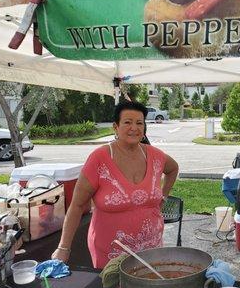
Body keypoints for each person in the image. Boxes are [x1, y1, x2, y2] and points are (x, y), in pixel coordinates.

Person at [52, 101, 179, 268]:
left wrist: (163, 195)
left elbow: (173, 168)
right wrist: (63, 248)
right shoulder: (99, 158)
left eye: (139, 123)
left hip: (151, 248)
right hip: (110, 253)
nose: (134, 127)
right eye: (127, 122)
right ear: (115, 127)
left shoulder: (155, 155)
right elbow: (77, 205)